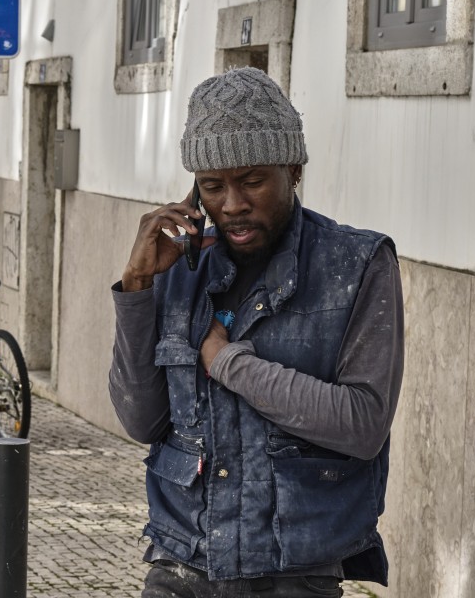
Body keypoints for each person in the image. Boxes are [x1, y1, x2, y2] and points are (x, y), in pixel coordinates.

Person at [109, 67, 404, 597]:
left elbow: (362, 424)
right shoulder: (178, 266)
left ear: (293, 170)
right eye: (212, 186)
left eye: (251, 181)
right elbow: (140, 418)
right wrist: (135, 288)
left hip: (293, 575)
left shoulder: (356, 265)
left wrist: (228, 363)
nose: (232, 204)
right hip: (180, 565)